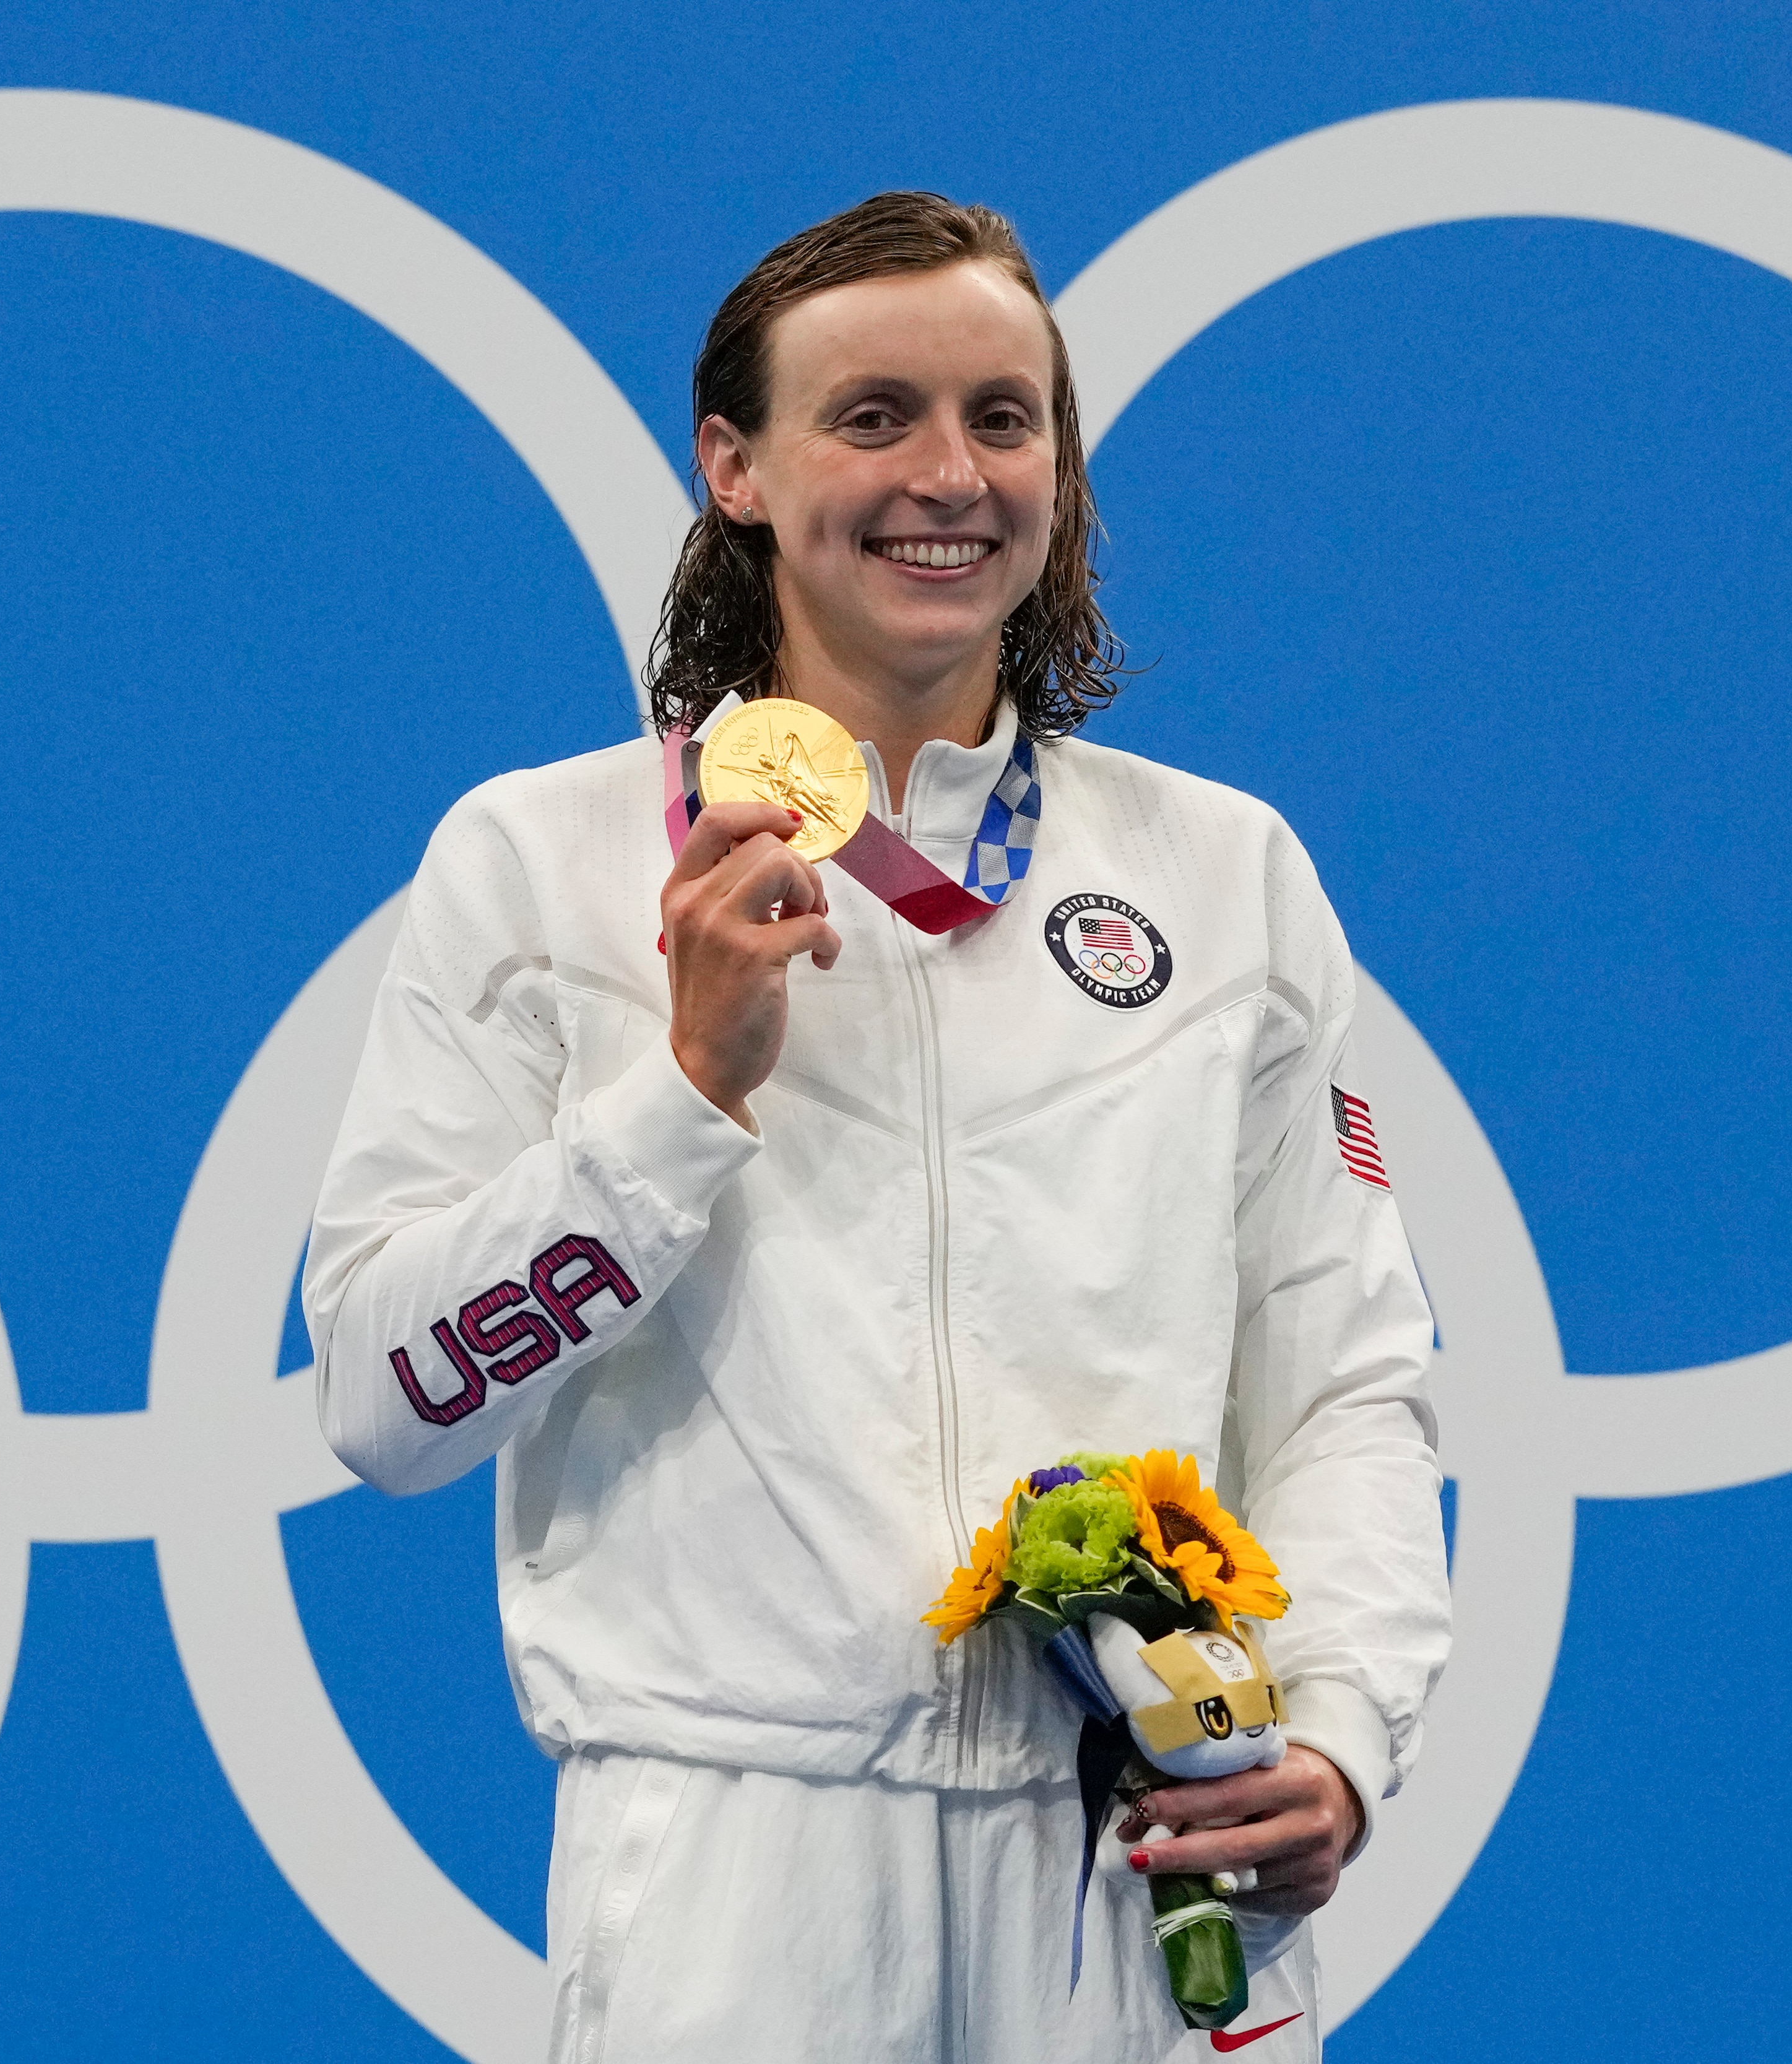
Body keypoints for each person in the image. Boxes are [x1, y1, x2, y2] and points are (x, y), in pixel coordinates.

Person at [305, 192, 1449, 2063]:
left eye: (1006, 419)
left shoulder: (1223, 874)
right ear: (734, 468)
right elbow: (379, 1400)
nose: (951, 475)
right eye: (875, 416)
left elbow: (1345, 1381)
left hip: (1142, 1840)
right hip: (736, 1875)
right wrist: (678, 1099)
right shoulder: (536, 863)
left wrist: (1334, 1724)